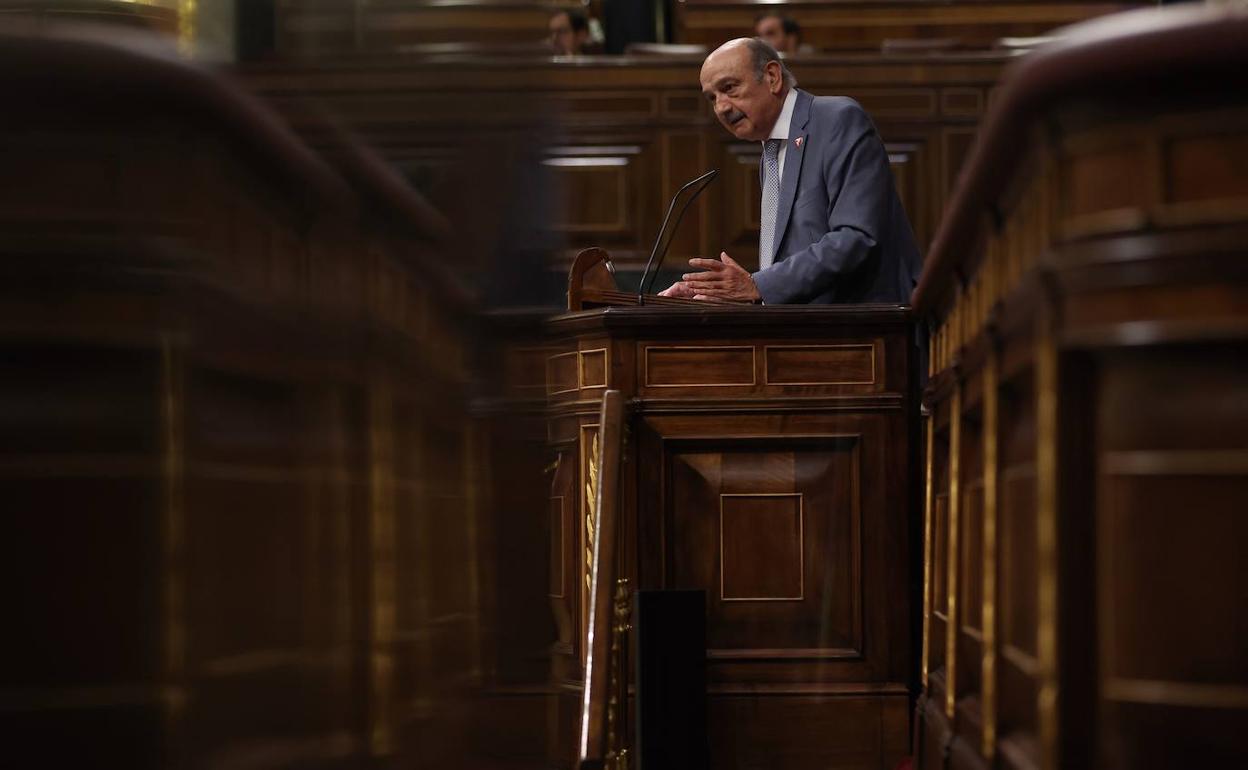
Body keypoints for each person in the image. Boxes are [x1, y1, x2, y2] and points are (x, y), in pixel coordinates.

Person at [660, 38, 921, 305]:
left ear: (772, 77)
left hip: (868, 326)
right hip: (811, 328)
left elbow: (856, 237)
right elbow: (790, 267)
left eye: (730, 88)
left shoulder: (836, 119)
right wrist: (720, 292)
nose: (721, 108)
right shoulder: (770, 154)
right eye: (712, 98)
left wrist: (756, 285)